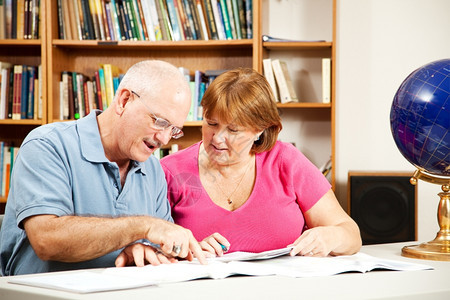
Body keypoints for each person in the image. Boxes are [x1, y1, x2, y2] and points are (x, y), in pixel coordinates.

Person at [0, 60, 206, 276]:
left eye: (173, 130)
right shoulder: (47, 145)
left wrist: (181, 251)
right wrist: (143, 227)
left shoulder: (153, 169)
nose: (164, 138)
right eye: (160, 122)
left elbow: (159, 247)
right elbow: (46, 240)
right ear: (124, 100)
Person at [160, 68, 362, 257]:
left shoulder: (286, 161)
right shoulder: (170, 170)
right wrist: (186, 251)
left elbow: (351, 234)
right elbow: (146, 247)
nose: (217, 138)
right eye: (211, 123)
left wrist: (330, 237)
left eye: (233, 130)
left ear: (260, 129)